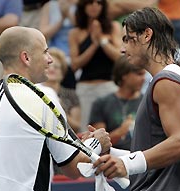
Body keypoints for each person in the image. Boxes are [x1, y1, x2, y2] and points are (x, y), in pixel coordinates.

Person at [0, 26, 111, 191]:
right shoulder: (44, 97)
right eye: (45, 52)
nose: (50, 59)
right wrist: (96, 142)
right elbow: (74, 168)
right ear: (26, 58)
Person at [93, 7, 180, 191]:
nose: (122, 49)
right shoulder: (171, 78)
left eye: (127, 39)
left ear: (146, 35)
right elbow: (155, 155)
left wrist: (127, 164)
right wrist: (110, 153)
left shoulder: (166, 81)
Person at [69, 0, 122, 132]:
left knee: (113, 127)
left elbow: (119, 57)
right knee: (86, 129)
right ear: (84, 6)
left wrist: (102, 41)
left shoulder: (113, 27)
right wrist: (93, 44)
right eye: (90, 3)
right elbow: (75, 64)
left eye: (99, 3)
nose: (94, 6)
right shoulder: (75, 32)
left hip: (109, 84)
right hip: (86, 87)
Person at [89, 56, 145, 150]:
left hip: (142, 157)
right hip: (112, 158)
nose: (143, 78)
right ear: (124, 75)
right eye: (139, 74)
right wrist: (121, 131)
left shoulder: (148, 101)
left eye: (144, 74)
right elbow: (99, 144)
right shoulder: (101, 103)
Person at [39, 47, 81, 134]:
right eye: (49, 66)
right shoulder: (35, 91)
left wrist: (58, 108)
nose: (51, 69)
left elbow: (76, 127)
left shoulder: (70, 94)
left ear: (63, 72)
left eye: (56, 67)